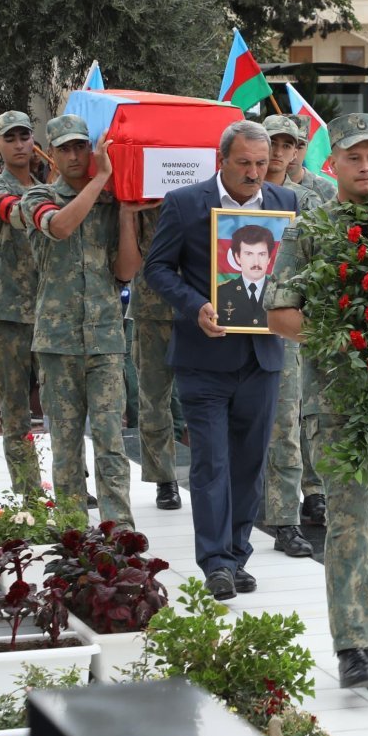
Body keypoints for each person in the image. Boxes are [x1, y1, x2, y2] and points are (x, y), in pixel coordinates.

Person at [267, 113, 368, 695]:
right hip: (335, 400)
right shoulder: (311, 230)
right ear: (334, 164)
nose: (366, 166)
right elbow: (280, 314)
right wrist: (347, 340)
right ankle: (351, 646)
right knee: (349, 521)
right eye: (355, 156)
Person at [143, 120, 296, 598]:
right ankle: (216, 565)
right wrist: (195, 306)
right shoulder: (186, 203)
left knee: (249, 464)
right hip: (203, 356)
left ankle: (236, 553)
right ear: (221, 160)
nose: (254, 173)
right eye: (244, 163)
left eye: (261, 163)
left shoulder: (285, 203)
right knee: (211, 462)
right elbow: (157, 268)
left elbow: (300, 269)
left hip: (263, 356)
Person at [21, 114, 147, 527]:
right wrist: (102, 179)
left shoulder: (110, 202)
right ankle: (72, 526)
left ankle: (119, 527)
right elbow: (59, 227)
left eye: (81, 147)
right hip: (57, 341)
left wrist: (125, 214)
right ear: (51, 154)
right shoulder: (37, 197)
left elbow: (125, 271)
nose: (74, 156)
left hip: (106, 338)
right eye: (65, 149)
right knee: (67, 442)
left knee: (111, 439)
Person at [256, 115, 325, 557]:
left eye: (288, 144)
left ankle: (285, 519)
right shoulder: (235, 197)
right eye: (273, 143)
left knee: (287, 421)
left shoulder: (308, 201)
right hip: (236, 322)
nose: (280, 152)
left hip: (287, 324)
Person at [0, 111, 43, 494]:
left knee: (64, 408)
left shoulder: (51, 189)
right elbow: (19, 214)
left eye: (24, 137)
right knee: (16, 412)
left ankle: (71, 487)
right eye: (10, 138)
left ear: (34, 142)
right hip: (7, 314)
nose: (19, 145)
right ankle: (30, 495)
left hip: (51, 313)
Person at [128, 201, 185, 513]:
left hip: (202, 301)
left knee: (210, 395)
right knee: (153, 398)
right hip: (152, 304)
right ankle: (164, 479)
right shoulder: (141, 191)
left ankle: (216, 474)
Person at [214, 224, 277, 330]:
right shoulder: (221, 293)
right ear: (237, 257)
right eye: (249, 254)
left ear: (269, 258)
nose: (256, 262)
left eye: (261, 254)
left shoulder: (281, 293)